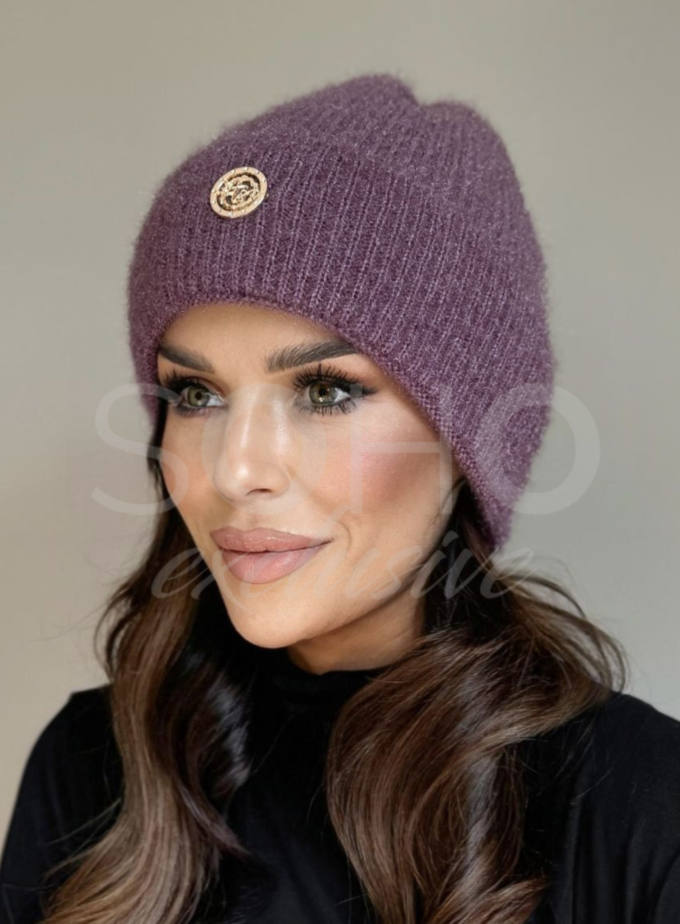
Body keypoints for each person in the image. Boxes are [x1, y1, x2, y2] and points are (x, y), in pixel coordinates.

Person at [1, 72, 679, 924]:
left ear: (466, 445)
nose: (236, 470)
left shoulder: (638, 807)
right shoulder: (94, 769)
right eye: (195, 394)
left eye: (324, 391)